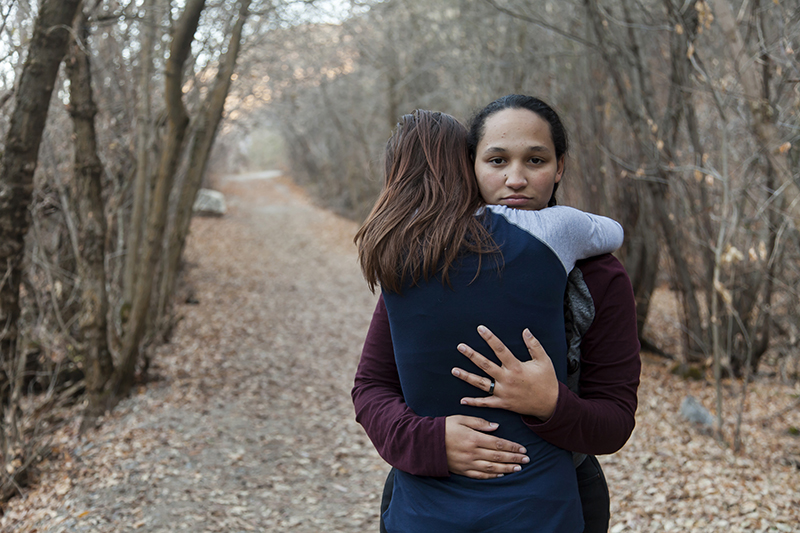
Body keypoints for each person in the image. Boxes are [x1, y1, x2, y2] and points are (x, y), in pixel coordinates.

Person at [351, 95, 641, 532]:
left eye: (536, 160)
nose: (516, 178)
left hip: (556, 499)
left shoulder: (599, 276)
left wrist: (551, 404)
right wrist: (432, 442)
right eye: (497, 159)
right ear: (470, 167)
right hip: (426, 488)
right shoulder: (429, 259)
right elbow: (372, 387)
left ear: (559, 167)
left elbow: (615, 422)